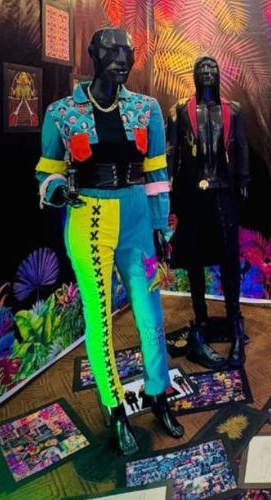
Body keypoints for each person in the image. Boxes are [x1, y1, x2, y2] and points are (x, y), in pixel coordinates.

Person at [34, 28, 183, 455]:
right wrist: (55, 189)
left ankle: (158, 393)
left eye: (127, 52)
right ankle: (114, 406)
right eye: (110, 50)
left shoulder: (146, 109)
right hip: (88, 220)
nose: (120, 58)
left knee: (151, 312)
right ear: (92, 55)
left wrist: (161, 228)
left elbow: (157, 173)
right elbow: (46, 170)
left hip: (138, 221)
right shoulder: (62, 113)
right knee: (98, 318)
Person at [168, 55, 250, 369]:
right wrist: (167, 186)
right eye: (201, 68)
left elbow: (241, 146)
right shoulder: (180, 111)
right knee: (193, 258)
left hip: (223, 191)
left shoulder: (233, 110)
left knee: (230, 256)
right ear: (194, 74)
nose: (206, 72)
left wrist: (244, 179)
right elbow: (172, 150)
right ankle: (200, 317)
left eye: (211, 68)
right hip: (192, 193)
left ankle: (234, 319)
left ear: (218, 74)